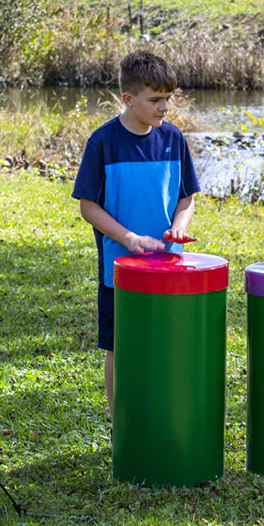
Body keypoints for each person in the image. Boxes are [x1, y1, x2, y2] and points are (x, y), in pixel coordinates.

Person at [72, 50, 199, 417]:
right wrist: (128, 238)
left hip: (167, 266)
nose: (165, 107)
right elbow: (88, 207)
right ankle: (120, 416)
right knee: (121, 345)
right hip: (120, 268)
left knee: (165, 341)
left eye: (168, 98)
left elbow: (186, 197)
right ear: (128, 99)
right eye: (156, 100)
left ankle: (159, 408)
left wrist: (179, 226)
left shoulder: (174, 140)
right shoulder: (103, 142)